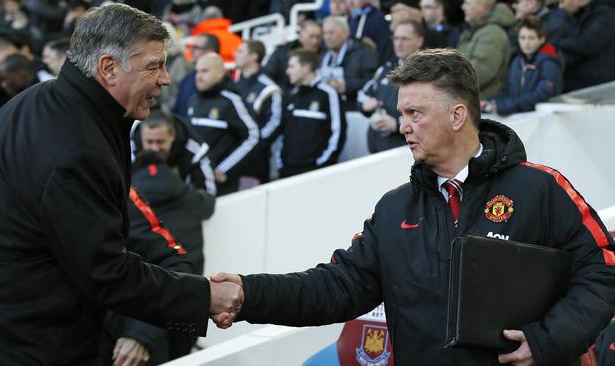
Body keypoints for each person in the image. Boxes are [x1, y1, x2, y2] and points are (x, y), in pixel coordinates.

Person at [211, 48, 615, 365]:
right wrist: (250, 293)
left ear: (458, 115)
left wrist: (546, 341)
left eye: (414, 113)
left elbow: (602, 269)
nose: (403, 125)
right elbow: (336, 287)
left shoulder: (541, 187)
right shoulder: (394, 209)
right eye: (401, 113)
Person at [0, 4, 242, 364]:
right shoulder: (79, 148)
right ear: (109, 68)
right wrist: (203, 298)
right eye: (153, 66)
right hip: (33, 345)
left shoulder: (24, 106)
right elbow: (105, 272)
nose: (166, 78)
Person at [103, 150, 216, 366]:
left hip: (122, 335)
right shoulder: (191, 198)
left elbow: (173, 262)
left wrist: (141, 333)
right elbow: (209, 201)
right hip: (166, 321)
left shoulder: (117, 191)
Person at [187, 52, 259, 195]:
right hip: (194, 180)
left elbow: (253, 136)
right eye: (197, 72)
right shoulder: (194, 100)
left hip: (221, 183)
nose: (199, 76)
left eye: (205, 71)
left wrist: (224, 168)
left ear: (221, 73)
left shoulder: (231, 101)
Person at [278, 48, 345, 178]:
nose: (287, 71)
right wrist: (280, 163)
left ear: (306, 67)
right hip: (286, 171)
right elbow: (283, 133)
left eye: (292, 66)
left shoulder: (328, 94)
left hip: (314, 172)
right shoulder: (292, 95)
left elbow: (338, 132)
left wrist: (321, 165)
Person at [357, 19, 423, 153]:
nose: (399, 43)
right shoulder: (385, 69)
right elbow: (362, 96)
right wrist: (365, 105)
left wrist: (398, 124)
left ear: (419, 41)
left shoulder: (427, 73)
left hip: (406, 153)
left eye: (404, 39)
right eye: (396, 38)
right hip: (377, 149)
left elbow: (429, 114)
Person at [484, 16, 563, 115]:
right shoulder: (517, 62)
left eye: (531, 38)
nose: (526, 43)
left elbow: (541, 95)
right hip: (520, 117)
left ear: (542, 39)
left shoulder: (550, 64)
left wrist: (505, 107)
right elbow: (508, 89)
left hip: (543, 121)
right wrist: (493, 102)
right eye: (523, 38)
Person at [130, 110, 217, 195]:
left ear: (173, 136)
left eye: (160, 142)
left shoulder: (197, 152)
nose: (155, 148)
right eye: (149, 142)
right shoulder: (130, 146)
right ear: (141, 138)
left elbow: (208, 194)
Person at [235, 40, 282, 185]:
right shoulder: (235, 84)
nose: (235, 55)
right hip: (234, 156)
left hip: (256, 161)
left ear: (254, 56)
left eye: (240, 51)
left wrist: (253, 145)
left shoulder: (269, 88)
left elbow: (274, 122)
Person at [457, 0, 515, 99]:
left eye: (467, 3)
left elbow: (481, 72)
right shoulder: (475, 30)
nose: (463, 7)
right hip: (471, 98)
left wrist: (447, 80)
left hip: (482, 101)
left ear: (482, 8)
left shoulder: (492, 33)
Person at [553, 0, 615, 92]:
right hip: (572, 81)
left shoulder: (606, 14)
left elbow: (585, 45)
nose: (561, 6)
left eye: (563, 1)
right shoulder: (573, 14)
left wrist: (552, 43)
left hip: (596, 83)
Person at [319, 15, 377, 111]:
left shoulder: (363, 51)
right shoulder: (324, 54)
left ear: (345, 33)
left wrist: (347, 86)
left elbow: (372, 82)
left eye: (331, 33)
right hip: (328, 107)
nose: (327, 37)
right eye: (324, 34)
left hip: (354, 108)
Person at [263, 19, 322, 90]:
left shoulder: (326, 54)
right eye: (311, 36)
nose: (315, 41)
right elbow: (267, 77)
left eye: (318, 37)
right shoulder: (282, 53)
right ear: (300, 36)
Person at [171, 32, 219, 119]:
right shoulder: (187, 79)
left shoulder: (221, 81)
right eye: (191, 47)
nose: (192, 51)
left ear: (210, 51)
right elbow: (177, 110)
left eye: (196, 47)